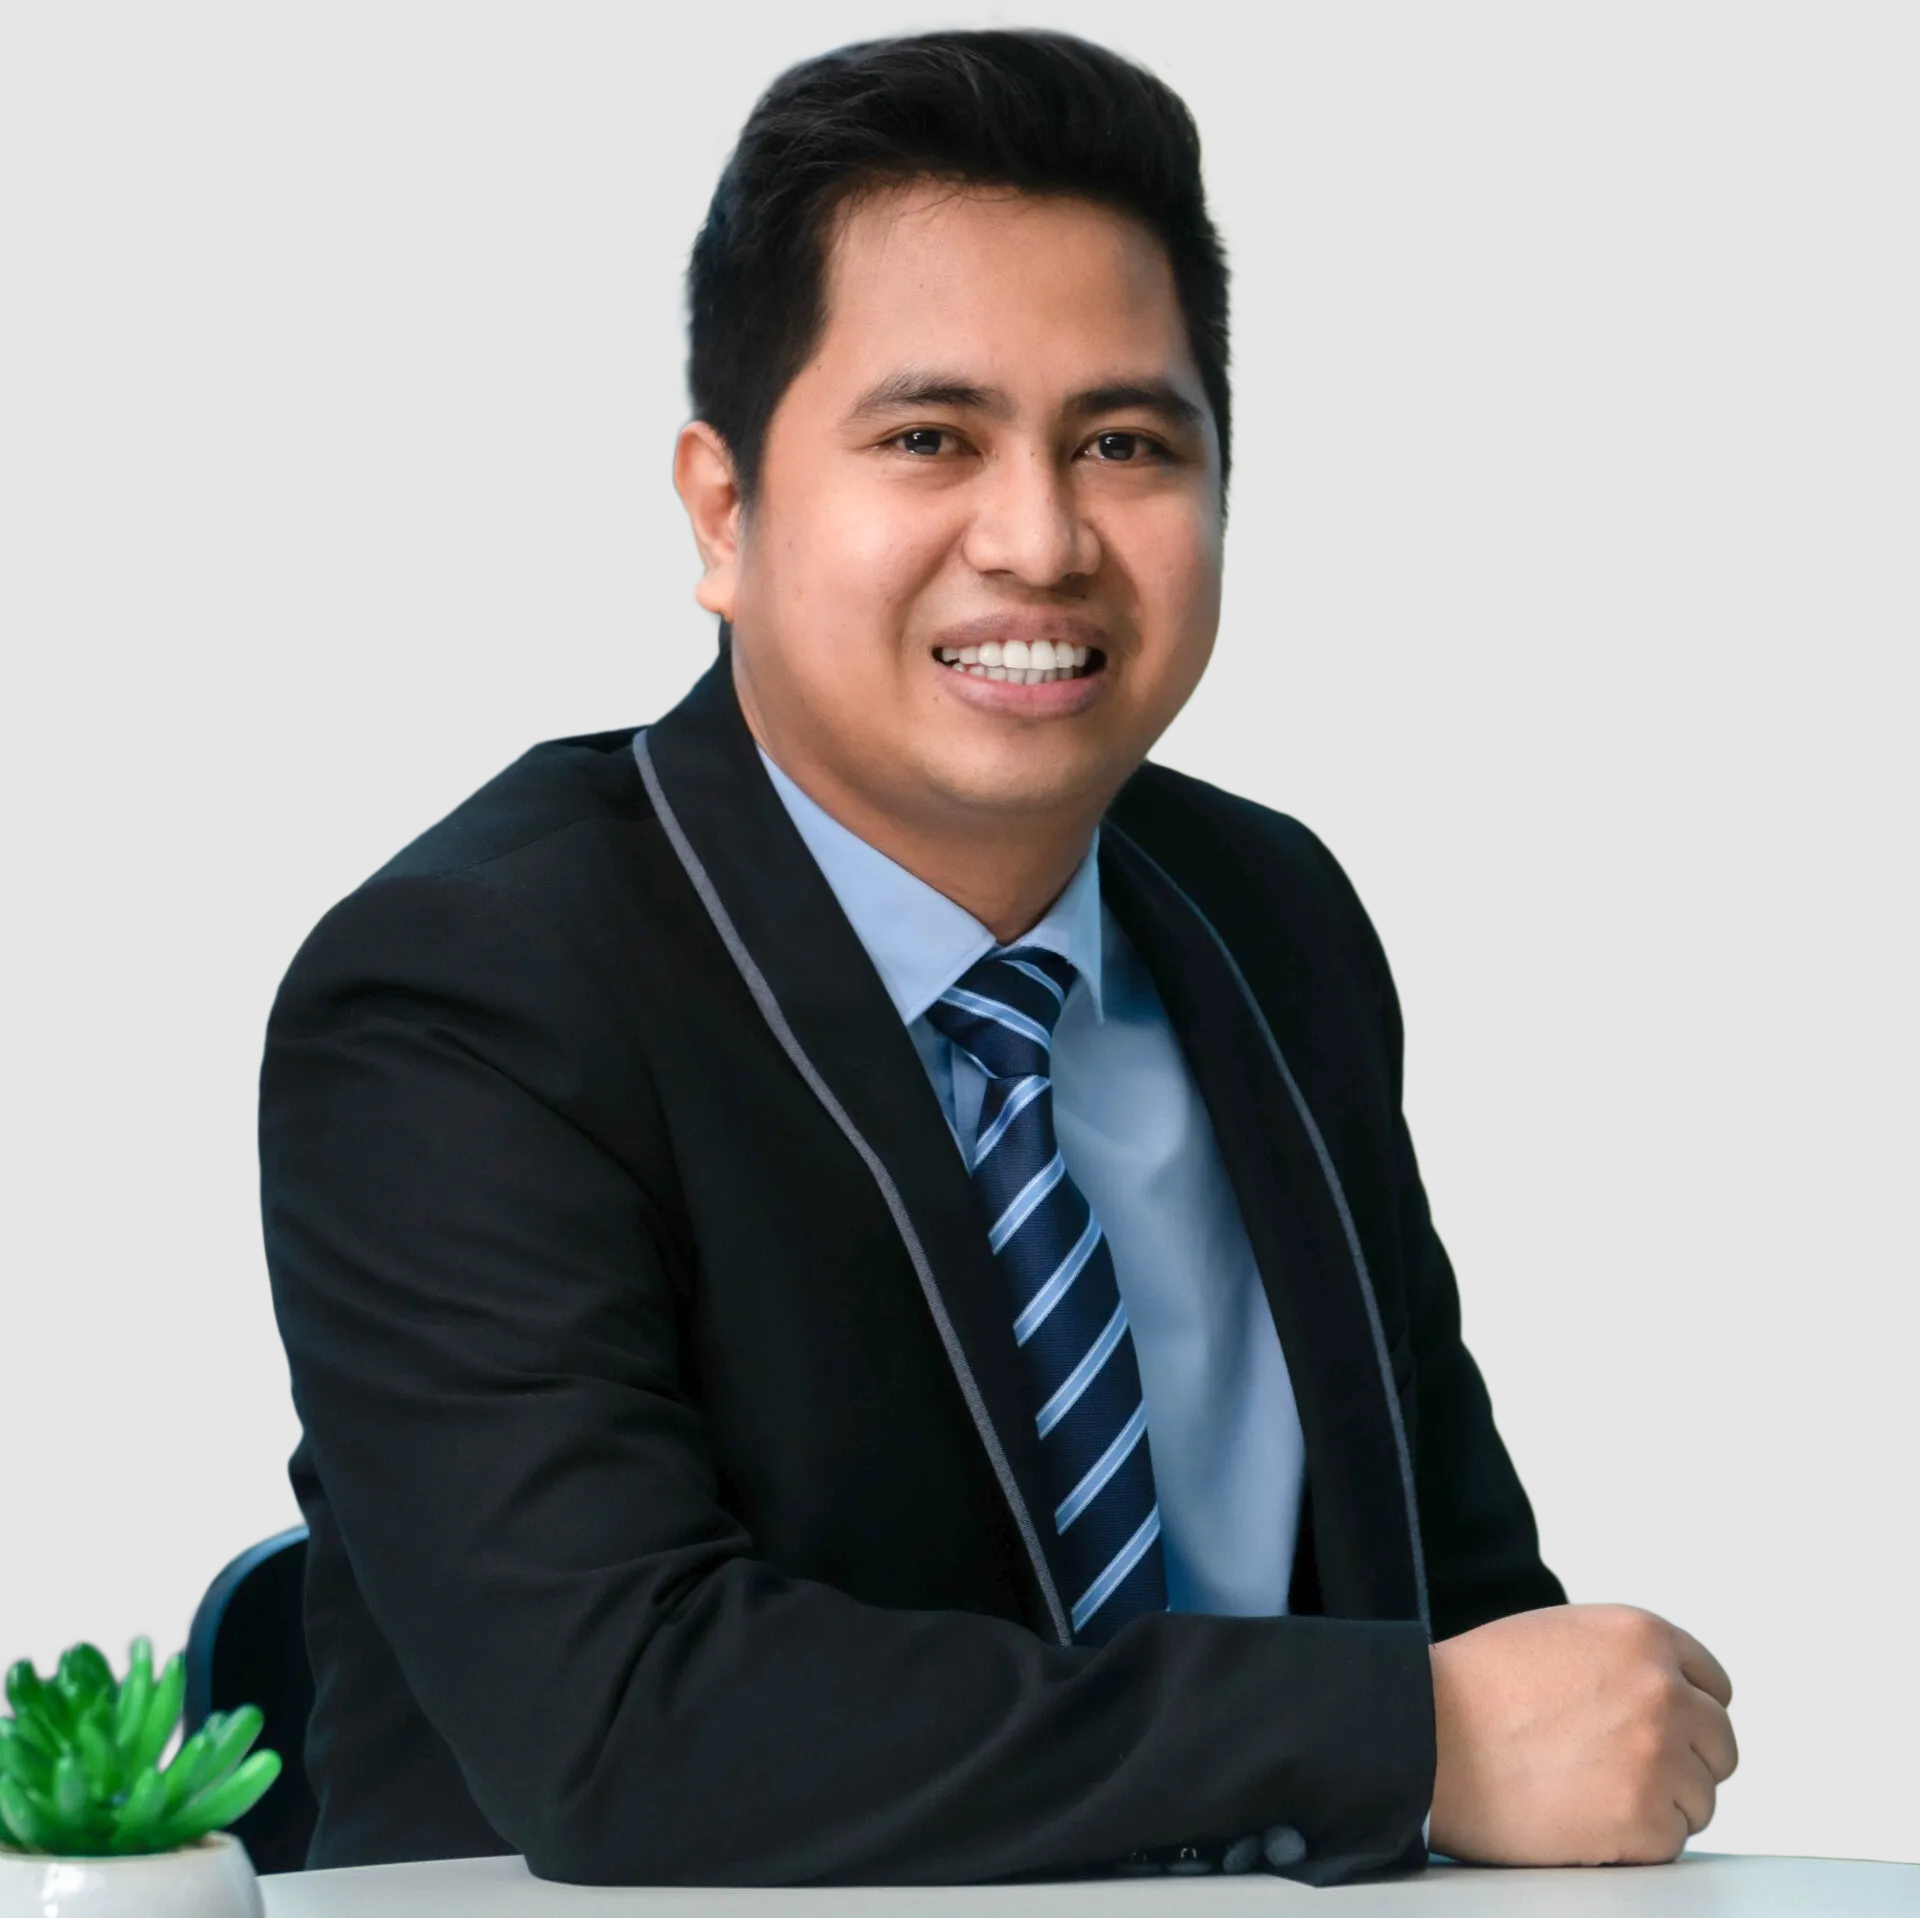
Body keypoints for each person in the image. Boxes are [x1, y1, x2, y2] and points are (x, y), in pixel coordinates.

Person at [259, 29, 1738, 1887]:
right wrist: (1397, 1739)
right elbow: (625, 1723)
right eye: (928, 439)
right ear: (723, 510)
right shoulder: (467, 998)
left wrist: (1546, 1741)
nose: (1040, 539)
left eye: (1125, 444)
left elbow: (1467, 1631)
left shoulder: (1267, 916)